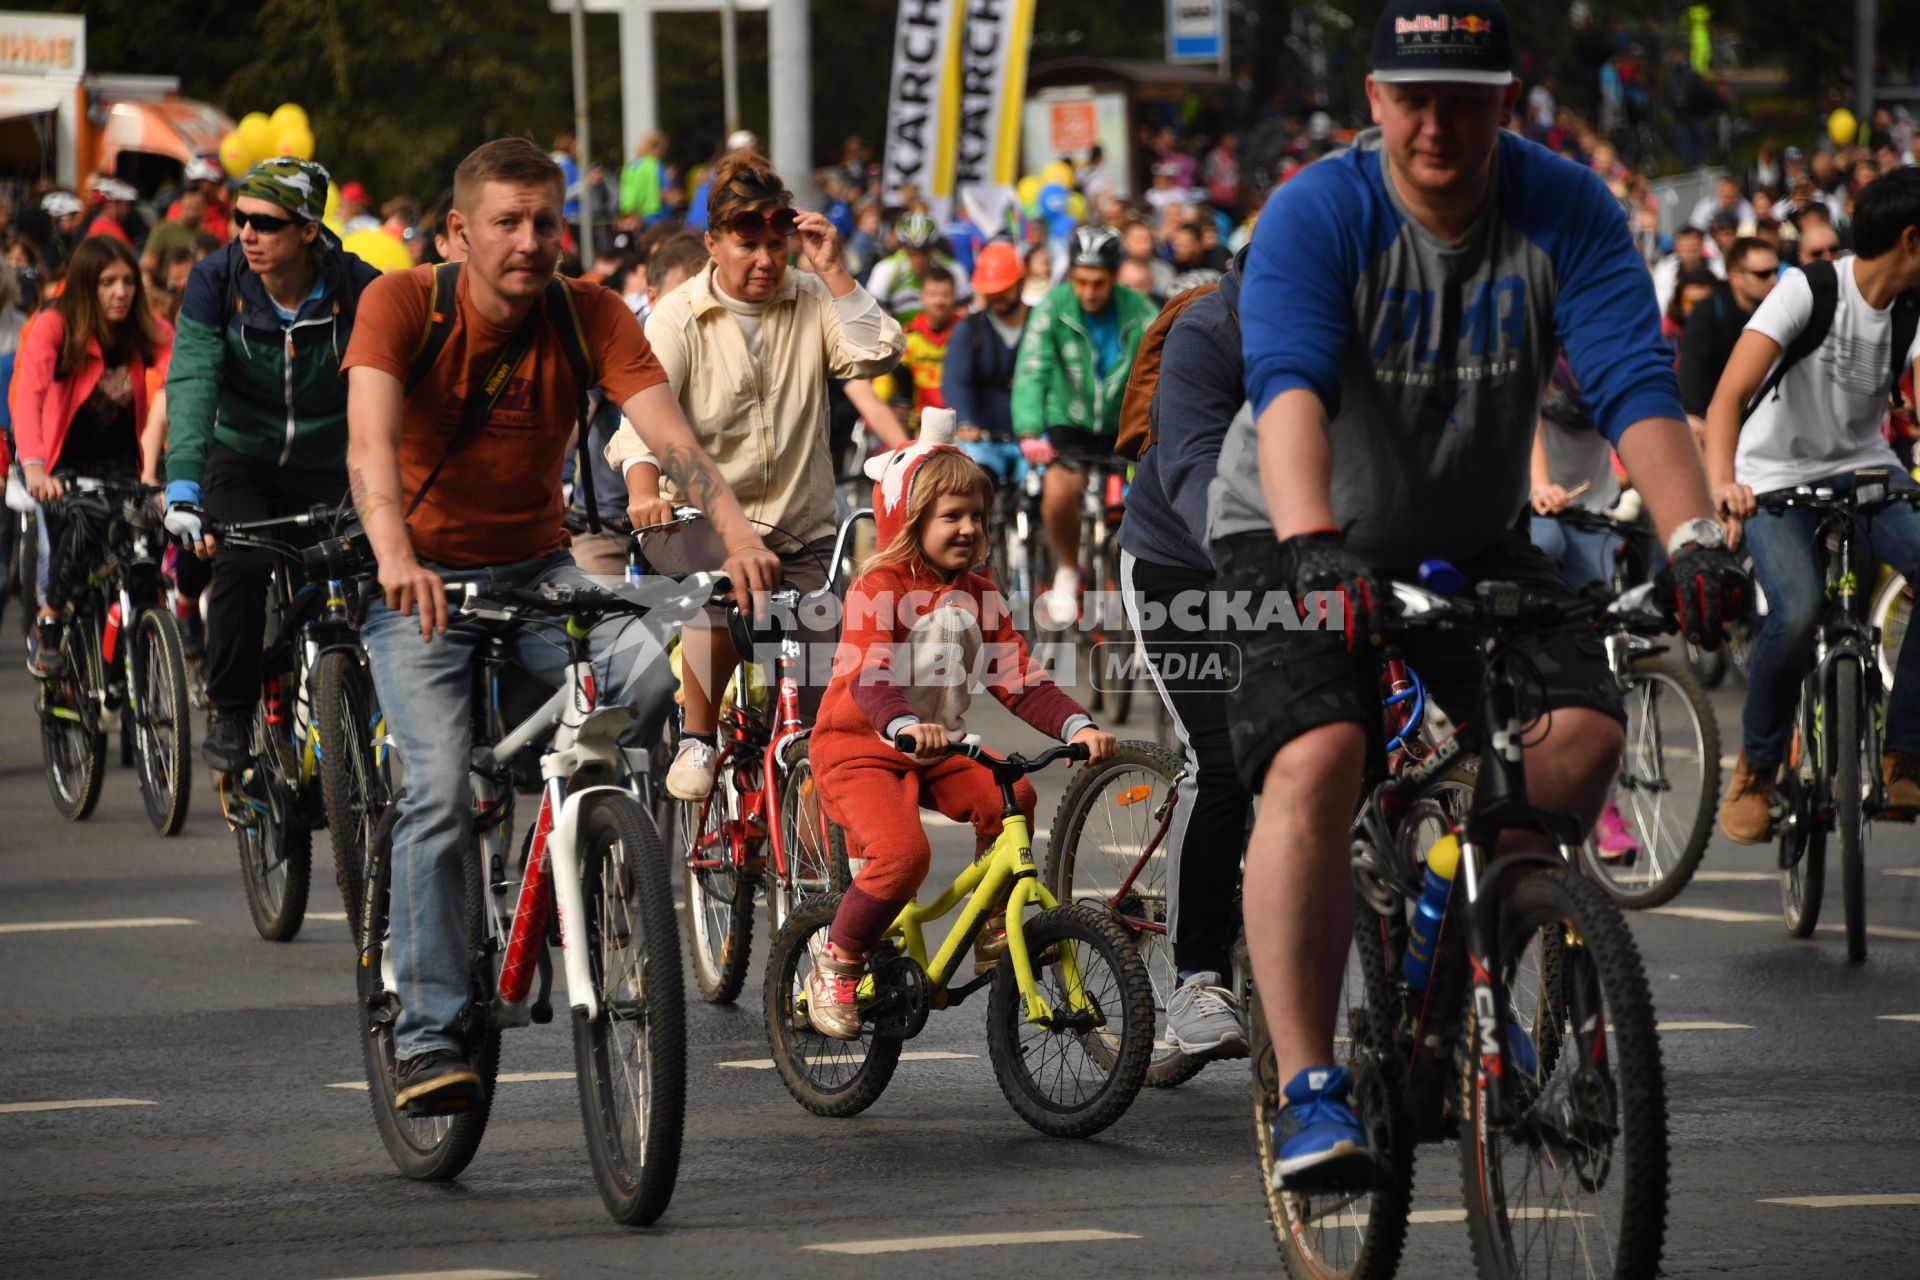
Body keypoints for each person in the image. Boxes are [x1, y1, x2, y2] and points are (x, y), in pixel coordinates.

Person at [1207, 0, 1743, 1191]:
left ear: (1510, 100)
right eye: (1415, 97)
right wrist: (1310, 542)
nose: (1438, 123)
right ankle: (1308, 1089)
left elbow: (1634, 386)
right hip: (1291, 529)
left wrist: (1696, 536)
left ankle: (1469, 935)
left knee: (1580, 737)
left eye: (1466, 98)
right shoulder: (1318, 209)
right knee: (1320, 754)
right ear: (1375, 101)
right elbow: (1289, 384)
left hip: (1470, 530)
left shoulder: (1566, 208)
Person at [342, 137, 779, 1110]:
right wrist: (394, 553)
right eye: (507, 221)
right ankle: (426, 1032)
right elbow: (369, 445)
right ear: (458, 231)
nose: (531, 240)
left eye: (546, 221)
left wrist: (737, 536)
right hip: (421, 586)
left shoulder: (590, 314)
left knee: (680, 651)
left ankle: (577, 815)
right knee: (440, 794)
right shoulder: (403, 305)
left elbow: (671, 439)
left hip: (540, 573)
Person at [606, 150, 905, 803]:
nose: (767, 260)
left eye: (779, 243)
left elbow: (879, 351)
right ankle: (699, 734)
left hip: (802, 532)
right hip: (694, 523)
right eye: (749, 246)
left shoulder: (811, 296)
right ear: (713, 243)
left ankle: (810, 868)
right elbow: (643, 414)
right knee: (713, 592)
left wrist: (832, 268)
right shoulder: (678, 315)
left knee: (833, 703)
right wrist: (641, 489)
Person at [804, 418, 1115, 1036]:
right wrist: (899, 724)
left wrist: (1077, 725)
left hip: (935, 746)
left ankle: (998, 923)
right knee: (902, 855)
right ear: (907, 522)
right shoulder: (879, 585)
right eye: (951, 516)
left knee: (1014, 794)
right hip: (860, 747)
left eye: (977, 515)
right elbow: (868, 674)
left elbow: (1020, 678)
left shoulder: (980, 593)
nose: (970, 528)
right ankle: (836, 961)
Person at [1707, 167, 1920, 842]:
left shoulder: (1912, 310)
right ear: (1912, 240)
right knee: (1796, 614)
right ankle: (1759, 769)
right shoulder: (1808, 290)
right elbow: (1725, 401)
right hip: (1774, 478)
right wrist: (1724, 483)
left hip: (1865, 472)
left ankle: (1904, 751)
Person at [157, 160, 383, 770]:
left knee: (376, 567)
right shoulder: (216, 279)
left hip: (333, 460)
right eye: (240, 220)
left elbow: (401, 385)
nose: (247, 234)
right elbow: (195, 378)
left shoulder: (361, 288)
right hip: (243, 457)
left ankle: (371, 705)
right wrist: (182, 481)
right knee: (243, 563)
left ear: (309, 230)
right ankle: (230, 711)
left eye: (265, 222)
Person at [1114, 246, 1254, 1055]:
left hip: (1291, 565)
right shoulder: (1209, 330)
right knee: (1225, 758)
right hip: (1181, 566)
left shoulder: (1347, 321)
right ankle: (1195, 980)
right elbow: (1195, 468)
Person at [9, 237, 172, 673]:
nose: (121, 292)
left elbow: (183, 371)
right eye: (107, 282)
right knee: (82, 523)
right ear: (86, 286)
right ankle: (51, 617)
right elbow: (28, 394)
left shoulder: (140, 326)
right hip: (60, 463)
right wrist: (35, 467)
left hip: (124, 463)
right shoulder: (54, 325)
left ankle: (147, 630)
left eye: (127, 281)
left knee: (154, 529)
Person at [1011, 224, 1156, 628]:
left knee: (1147, 502)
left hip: (1120, 424)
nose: (1089, 292)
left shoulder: (1141, 310)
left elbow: (1160, 371)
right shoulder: (1052, 307)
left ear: (1114, 276)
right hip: (1069, 421)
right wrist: (1028, 430)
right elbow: (1032, 369)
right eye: (1080, 281)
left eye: (1098, 283)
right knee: (1059, 491)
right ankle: (1067, 568)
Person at [567, 233, 711, 580]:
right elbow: (575, 420)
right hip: (608, 523)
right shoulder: (625, 339)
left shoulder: (717, 343)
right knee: (605, 620)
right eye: (679, 297)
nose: (687, 311)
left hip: (692, 521)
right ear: (653, 296)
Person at [941, 242, 1028, 489]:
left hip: (1031, 440)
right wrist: (966, 422)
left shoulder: (1040, 324)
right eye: (991, 292)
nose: (997, 298)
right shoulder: (970, 329)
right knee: (975, 486)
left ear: (1020, 284)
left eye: (1004, 290)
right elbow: (956, 381)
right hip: (984, 439)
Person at [1679, 236, 1780, 426]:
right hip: (1722, 423)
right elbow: (1692, 372)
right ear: (1735, 277)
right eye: (1763, 274)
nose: (1772, 280)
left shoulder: (1782, 310)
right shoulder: (1708, 313)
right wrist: (1695, 418)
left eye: (1776, 271)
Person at [865, 212, 973, 323]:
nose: (919, 258)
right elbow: (874, 315)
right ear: (904, 249)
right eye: (912, 253)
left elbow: (964, 311)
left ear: (933, 248)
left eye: (925, 251)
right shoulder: (885, 270)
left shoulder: (954, 270)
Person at [900, 265, 959, 421]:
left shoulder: (967, 334)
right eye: (933, 294)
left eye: (945, 295)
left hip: (959, 423)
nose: (939, 301)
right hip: (918, 422)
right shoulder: (908, 336)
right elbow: (887, 380)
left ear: (955, 297)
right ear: (922, 296)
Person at [142, 185, 220, 274]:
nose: (194, 208)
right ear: (180, 203)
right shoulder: (162, 230)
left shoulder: (207, 237)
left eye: (198, 205)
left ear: (205, 207)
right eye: (190, 205)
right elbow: (147, 267)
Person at [619, 132, 666, 223]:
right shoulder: (656, 165)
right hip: (655, 212)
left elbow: (627, 192)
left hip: (634, 215)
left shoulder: (630, 167)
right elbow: (663, 192)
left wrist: (630, 210)